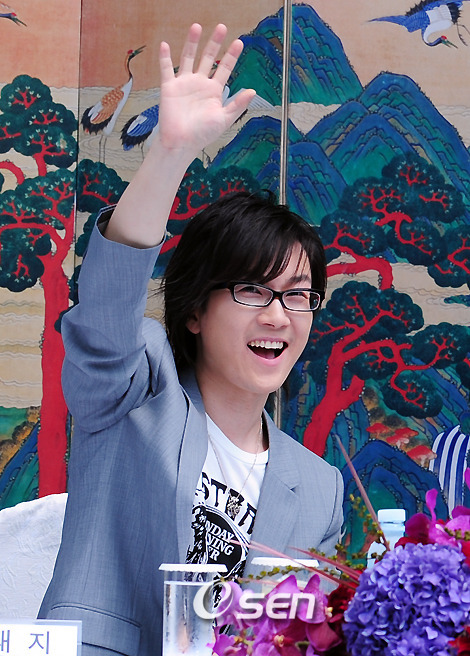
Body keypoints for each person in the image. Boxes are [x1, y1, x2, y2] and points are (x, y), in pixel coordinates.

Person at [38, 23, 343, 656]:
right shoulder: (136, 388)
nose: (279, 315)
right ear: (197, 310)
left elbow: (302, 637)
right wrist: (169, 153)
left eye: (297, 295)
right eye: (253, 290)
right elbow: (106, 313)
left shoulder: (319, 488)